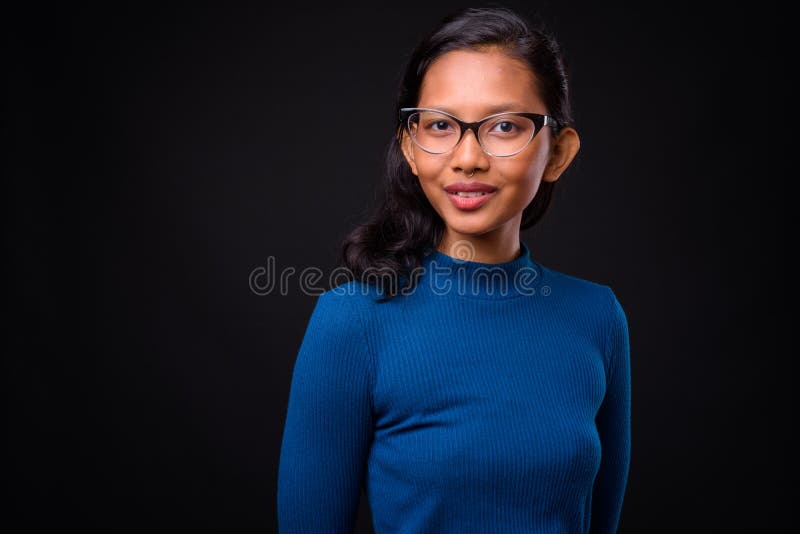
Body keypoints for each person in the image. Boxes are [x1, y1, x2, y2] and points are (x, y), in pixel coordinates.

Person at [277, 6, 631, 533]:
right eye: (441, 125)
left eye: (505, 126)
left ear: (558, 153)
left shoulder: (597, 318)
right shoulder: (352, 321)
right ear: (411, 148)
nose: (468, 157)